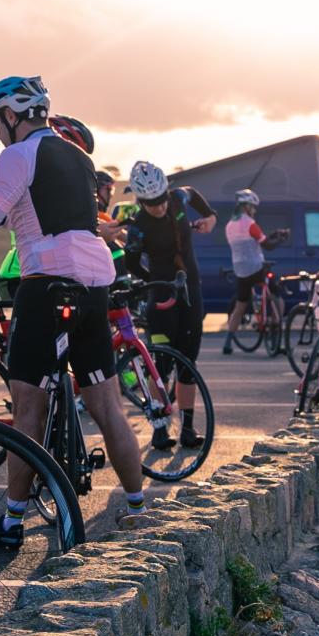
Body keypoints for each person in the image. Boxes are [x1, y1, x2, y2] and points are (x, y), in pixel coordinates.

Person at [0, 77, 153, 536]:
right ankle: (140, 507)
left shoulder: (17, 155)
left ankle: (12, 521)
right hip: (93, 285)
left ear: (10, 114)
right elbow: (51, 211)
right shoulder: (78, 157)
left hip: (46, 286)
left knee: (28, 407)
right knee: (107, 404)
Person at [119, 161, 215, 450]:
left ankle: (187, 427)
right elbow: (133, 263)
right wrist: (154, 282)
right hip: (161, 296)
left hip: (191, 290)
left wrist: (210, 216)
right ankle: (160, 427)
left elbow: (194, 193)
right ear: (140, 200)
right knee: (160, 366)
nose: (159, 207)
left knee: (188, 362)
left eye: (161, 200)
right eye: (151, 204)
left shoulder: (179, 198)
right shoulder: (138, 226)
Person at [219, 188, 271, 356]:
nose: (254, 211)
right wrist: (280, 238)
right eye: (253, 207)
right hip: (256, 268)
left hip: (240, 270)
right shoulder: (250, 223)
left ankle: (228, 342)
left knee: (240, 306)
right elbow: (266, 244)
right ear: (247, 207)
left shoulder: (229, 225)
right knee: (275, 292)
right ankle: (276, 323)